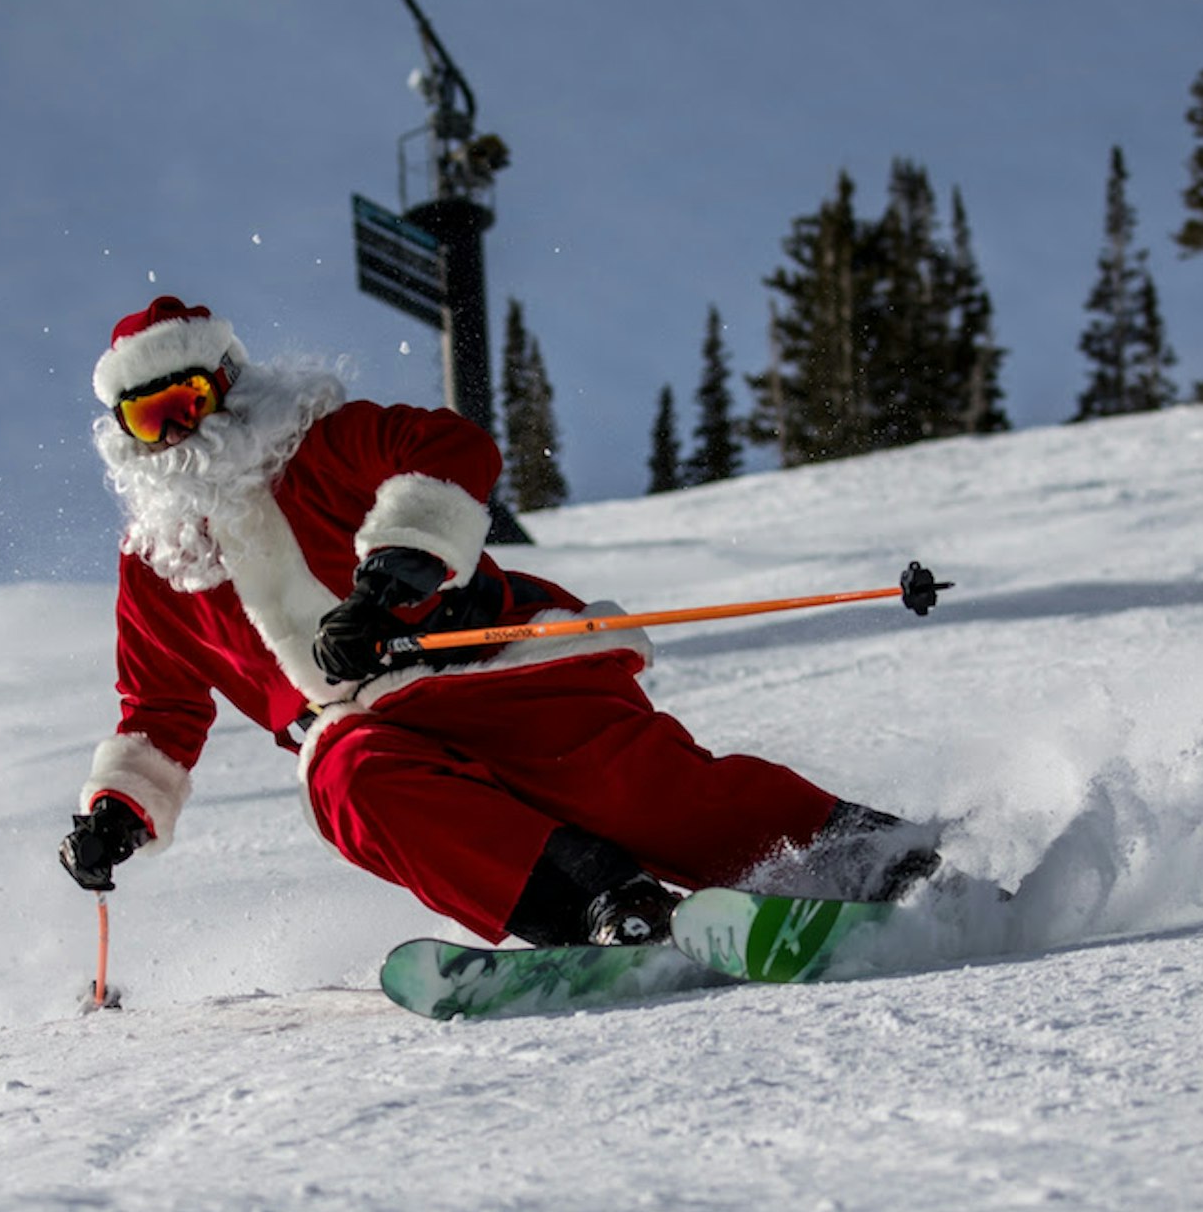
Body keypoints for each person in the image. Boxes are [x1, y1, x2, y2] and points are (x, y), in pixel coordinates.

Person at [58, 295, 939, 946]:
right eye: (151, 418)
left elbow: (451, 447)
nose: (179, 437)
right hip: (368, 729)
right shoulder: (158, 566)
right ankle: (607, 903)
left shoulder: (322, 442)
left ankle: (874, 860)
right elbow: (159, 709)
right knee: (351, 782)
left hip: (484, 662)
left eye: (190, 404)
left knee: (632, 789)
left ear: (230, 385)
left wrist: (392, 572)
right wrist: (117, 811)